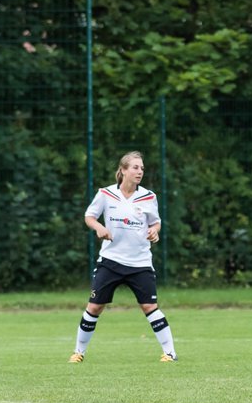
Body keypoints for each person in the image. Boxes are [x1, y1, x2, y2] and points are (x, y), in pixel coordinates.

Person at [70, 151, 175, 363]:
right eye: (135, 167)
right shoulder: (106, 194)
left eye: (142, 168)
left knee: (149, 307)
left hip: (140, 262)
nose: (140, 172)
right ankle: (78, 352)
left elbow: (156, 222)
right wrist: (99, 227)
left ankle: (170, 353)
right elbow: (89, 216)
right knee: (94, 307)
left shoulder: (148, 197)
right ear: (123, 170)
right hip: (110, 262)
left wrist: (155, 230)